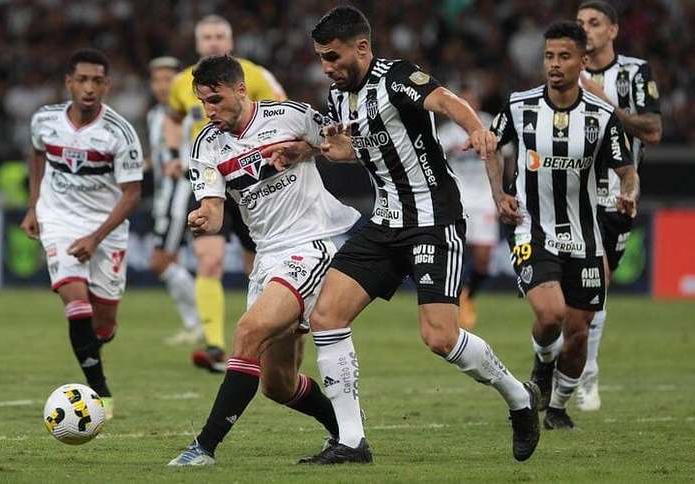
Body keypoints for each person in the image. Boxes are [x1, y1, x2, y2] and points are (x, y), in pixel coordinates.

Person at [270, 6, 540, 464]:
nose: (326, 67)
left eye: (333, 57)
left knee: (440, 338)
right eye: (320, 58)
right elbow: (366, 149)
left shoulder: (396, 76)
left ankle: (519, 396)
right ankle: (352, 442)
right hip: (385, 222)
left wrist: (476, 129)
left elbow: (448, 102)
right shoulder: (340, 98)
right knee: (327, 317)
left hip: (433, 221)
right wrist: (324, 151)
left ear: (362, 47)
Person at [167, 55, 359, 467]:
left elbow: (345, 147)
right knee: (278, 383)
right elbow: (215, 211)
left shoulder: (290, 115)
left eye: (216, 100)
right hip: (268, 255)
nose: (210, 111)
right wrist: (203, 218)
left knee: (248, 333)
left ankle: (203, 447)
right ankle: (347, 432)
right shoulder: (206, 144)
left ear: (241, 90)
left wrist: (307, 148)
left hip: (313, 243)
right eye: (203, 102)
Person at [489, 21, 638, 429]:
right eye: (549, 56)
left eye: (564, 56)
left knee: (578, 333)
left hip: (586, 238)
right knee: (551, 314)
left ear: (583, 62)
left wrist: (630, 192)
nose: (555, 65)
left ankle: (556, 407)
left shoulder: (603, 115)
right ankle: (542, 362)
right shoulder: (520, 106)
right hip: (532, 228)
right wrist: (498, 194)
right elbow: (490, 144)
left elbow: (627, 171)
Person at [20, 48, 143, 420]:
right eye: (82, 80)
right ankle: (99, 390)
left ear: (107, 85)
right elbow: (37, 154)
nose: (89, 88)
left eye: (97, 81)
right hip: (58, 220)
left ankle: (95, 345)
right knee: (76, 304)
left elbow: (132, 193)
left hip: (105, 229)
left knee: (103, 326)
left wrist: (96, 237)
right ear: (69, 83)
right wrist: (33, 205)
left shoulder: (120, 133)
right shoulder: (44, 120)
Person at [164, 14, 287, 372]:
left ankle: (261, 341)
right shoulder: (180, 83)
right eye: (207, 37)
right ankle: (215, 346)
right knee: (209, 260)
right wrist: (173, 154)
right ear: (198, 43)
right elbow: (173, 119)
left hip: (251, 182)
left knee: (258, 269)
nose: (214, 42)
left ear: (230, 42)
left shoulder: (255, 75)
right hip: (205, 179)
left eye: (220, 35)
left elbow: (280, 111)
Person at [575, 0, 662, 411]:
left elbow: (654, 129)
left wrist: (602, 100)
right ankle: (563, 365)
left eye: (594, 23)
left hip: (616, 192)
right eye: (580, 23)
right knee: (561, 292)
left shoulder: (634, 72)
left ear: (612, 31)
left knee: (597, 285)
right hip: (567, 192)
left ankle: (585, 375)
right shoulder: (563, 67)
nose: (585, 30)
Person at [146, 56, 202, 345]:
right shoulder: (155, 115)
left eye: (169, 79)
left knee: (160, 261)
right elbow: (160, 158)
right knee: (171, 262)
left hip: (180, 195)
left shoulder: (190, 114)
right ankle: (196, 325)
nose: (162, 85)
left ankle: (200, 322)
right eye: (157, 80)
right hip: (162, 198)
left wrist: (180, 165)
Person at [437, 86, 500, 329]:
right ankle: (452, 302)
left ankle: (468, 296)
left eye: (472, 100)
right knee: (455, 253)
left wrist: (500, 192)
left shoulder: (490, 125)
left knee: (483, 258)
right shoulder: (446, 133)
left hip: (484, 198)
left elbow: (505, 155)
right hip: (459, 198)